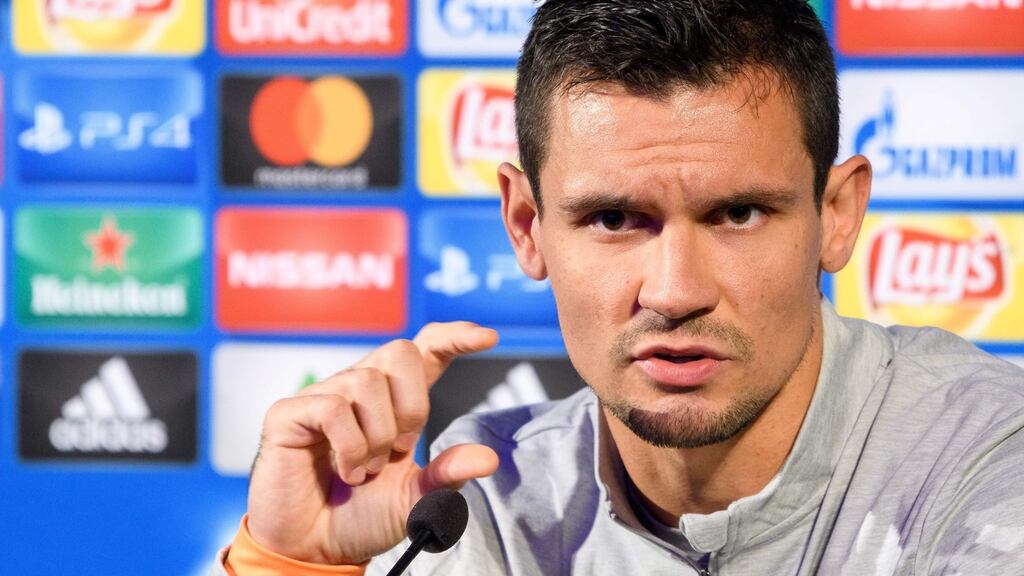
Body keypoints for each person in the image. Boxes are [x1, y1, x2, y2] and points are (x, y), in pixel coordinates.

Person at [217, 1, 1024, 574]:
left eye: (738, 213)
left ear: (837, 214)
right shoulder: (483, 498)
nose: (675, 292)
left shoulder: (987, 459)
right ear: (527, 225)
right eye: (612, 218)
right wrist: (290, 564)